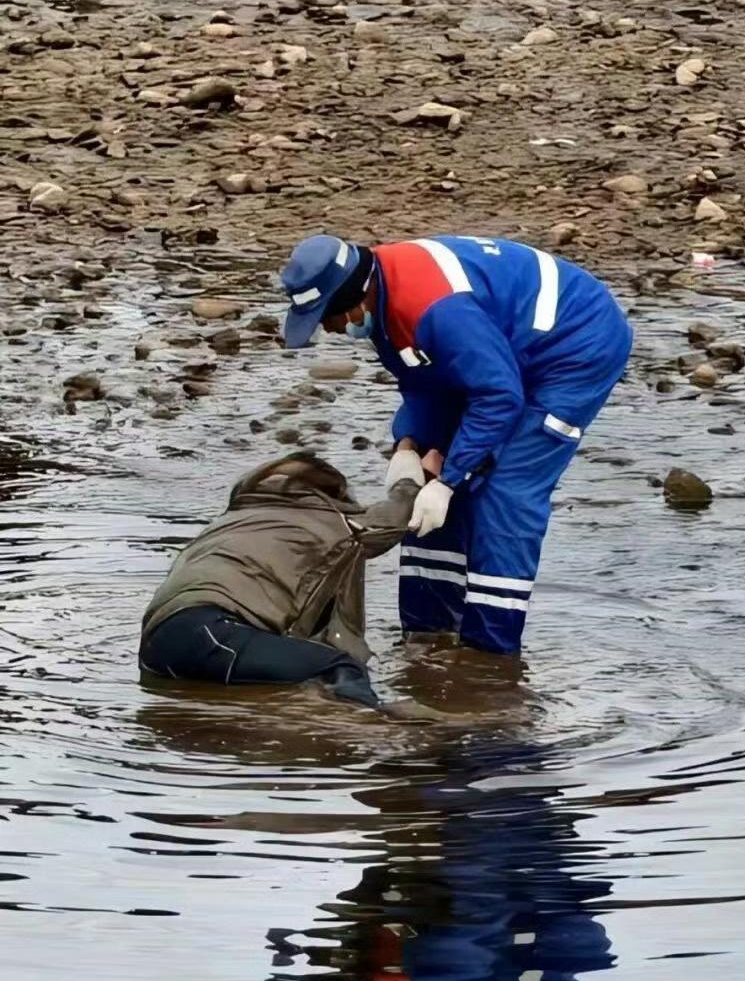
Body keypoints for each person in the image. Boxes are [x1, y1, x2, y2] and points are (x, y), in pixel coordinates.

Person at [279, 234, 633, 655]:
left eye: (327, 316)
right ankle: (426, 637)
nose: (330, 328)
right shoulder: (385, 298)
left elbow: (499, 397)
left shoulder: (437, 309)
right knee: (427, 494)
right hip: (500, 351)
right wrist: (410, 445)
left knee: (505, 491)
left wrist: (448, 481)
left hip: (574, 347)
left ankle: (489, 659)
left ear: (356, 296)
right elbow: (425, 380)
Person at [139, 452, 420, 710]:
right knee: (339, 669)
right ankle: (376, 733)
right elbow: (393, 520)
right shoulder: (329, 519)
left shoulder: (232, 518)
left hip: (157, 646)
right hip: (214, 636)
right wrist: (412, 477)